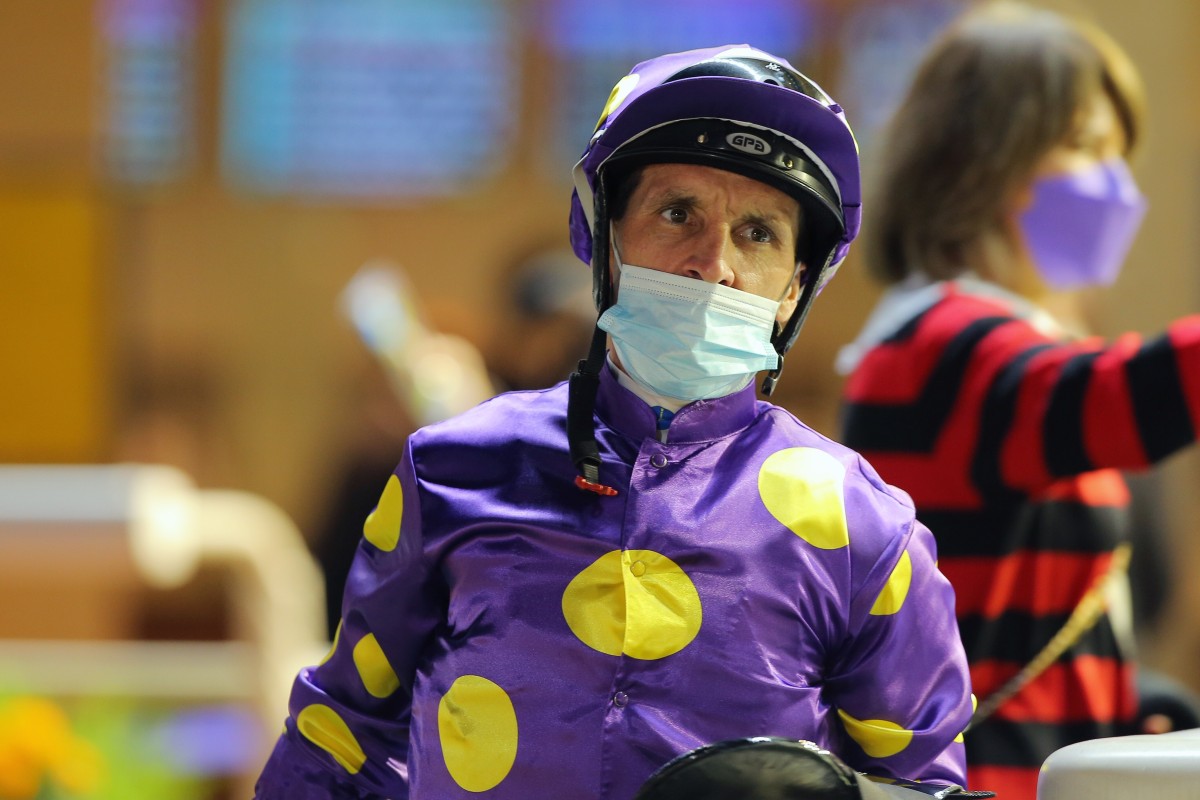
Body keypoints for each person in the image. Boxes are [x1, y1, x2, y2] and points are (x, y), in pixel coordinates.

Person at [253, 44, 973, 799]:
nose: (712, 264)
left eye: (758, 232)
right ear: (604, 239)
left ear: (794, 288)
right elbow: (336, 740)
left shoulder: (864, 527)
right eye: (677, 213)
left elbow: (923, 782)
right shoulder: (451, 470)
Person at [837, 3, 1200, 798]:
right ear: (979, 162)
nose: (1116, 181)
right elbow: (1111, 398)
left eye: (1120, 151)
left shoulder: (988, 334)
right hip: (985, 780)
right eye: (1085, 146)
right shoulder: (940, 345)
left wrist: (1127, 700)